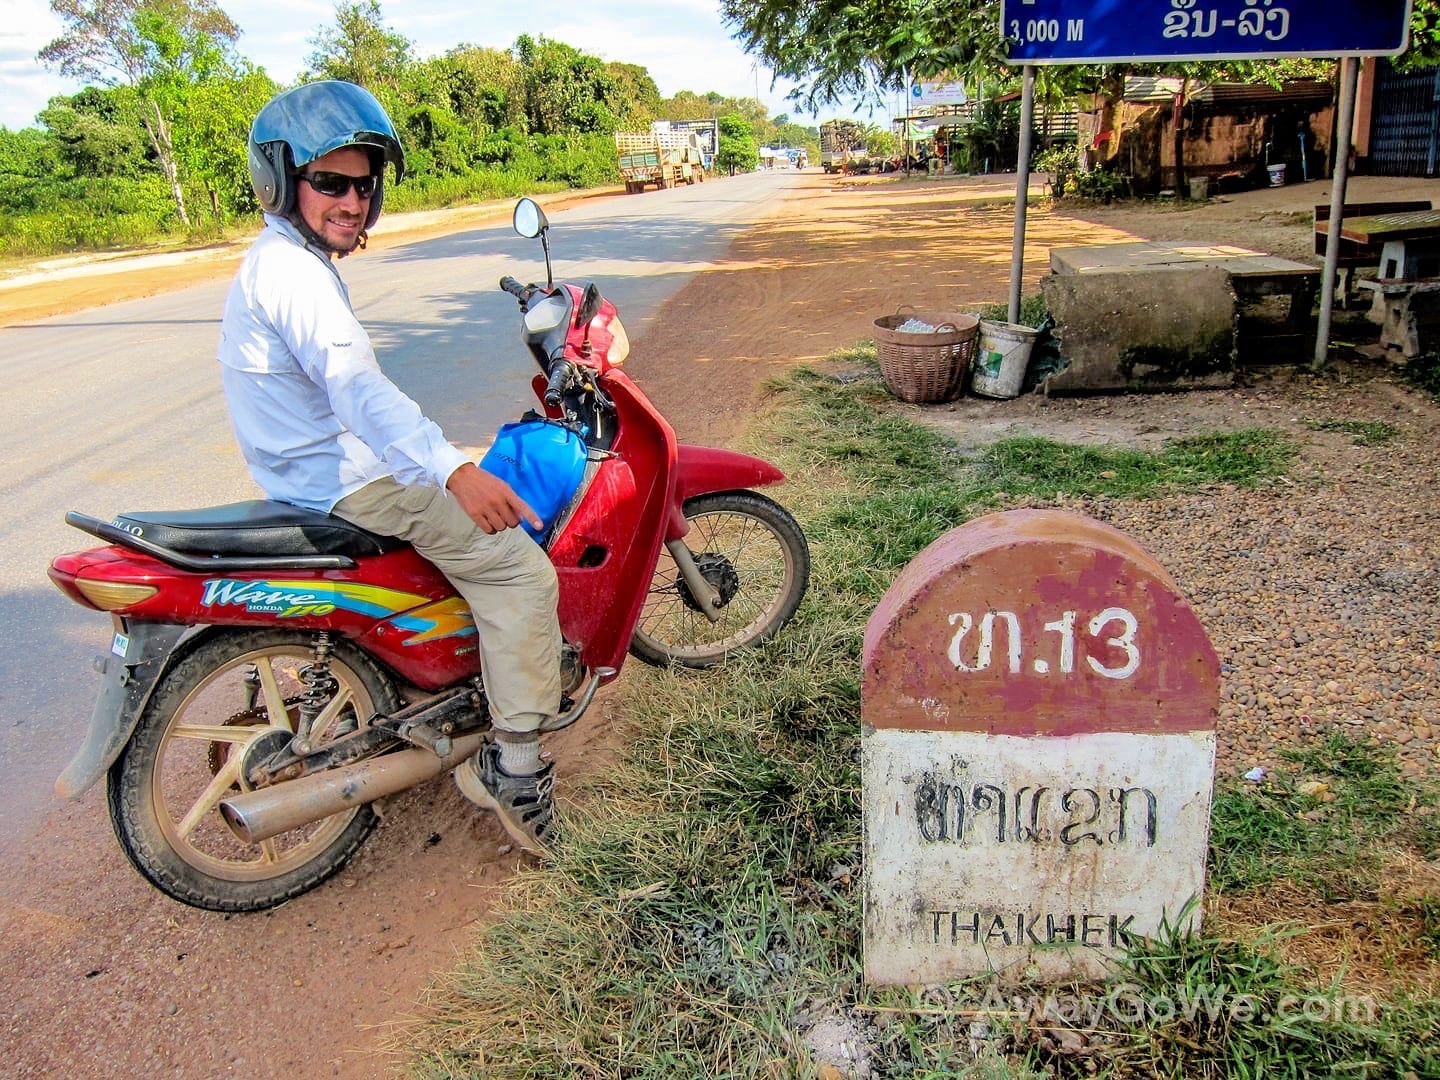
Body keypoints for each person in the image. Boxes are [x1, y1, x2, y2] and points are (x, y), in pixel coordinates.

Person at [217, 80, 561, 853]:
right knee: (522, 575)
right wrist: (450, 468)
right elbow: (357, 388)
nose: (351, 199)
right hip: (347, 482)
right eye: (329, 182)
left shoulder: (276, 260)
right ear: (280, 180)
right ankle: (518, 769)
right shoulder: (298, 277)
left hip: (306, 476)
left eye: (362, 184)